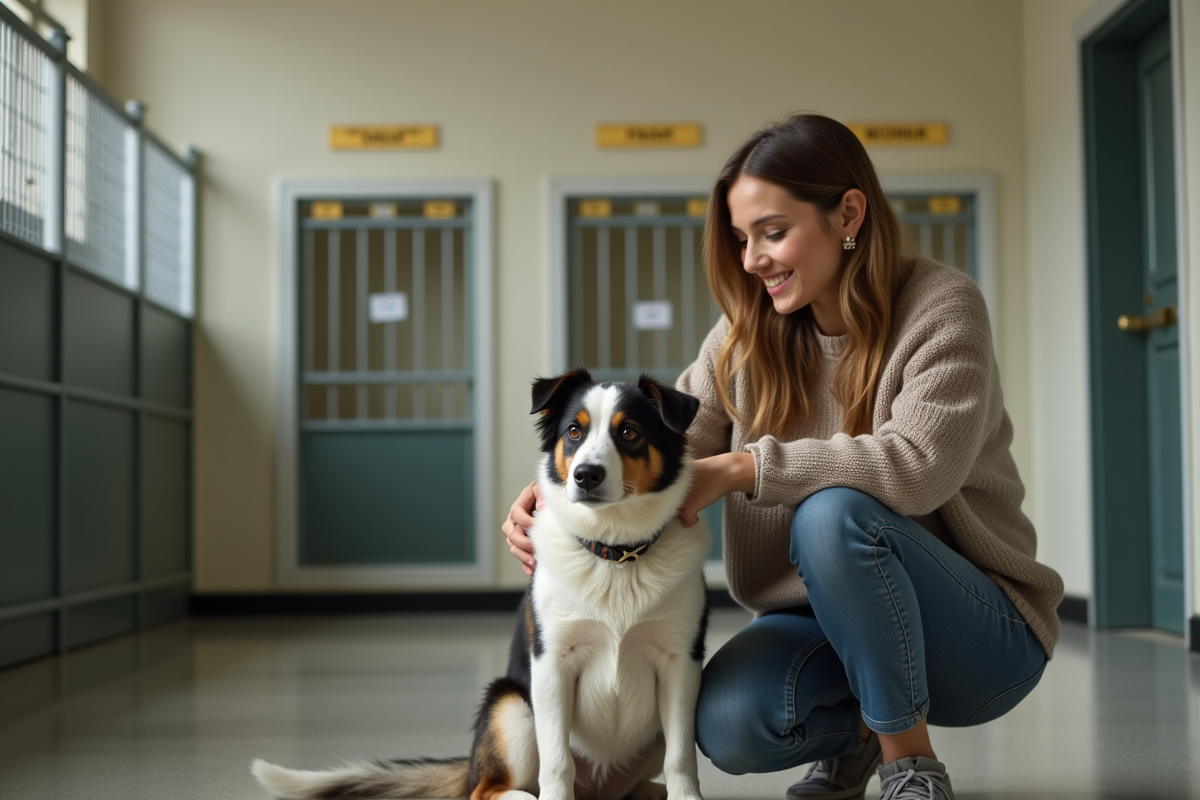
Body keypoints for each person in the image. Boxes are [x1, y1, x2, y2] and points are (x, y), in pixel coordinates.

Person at [502, 113, 1064, 800]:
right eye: (742, 239)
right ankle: (855, 736)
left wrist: (747, 467)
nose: (751, 259)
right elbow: (667, 447)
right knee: (730, 723)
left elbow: (918, 467)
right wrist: (551, 498)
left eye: (772, 232)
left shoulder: (941, 308)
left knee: (831, 515)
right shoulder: (744, 337)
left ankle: (909, 764)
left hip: (979, 632)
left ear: (848, 213)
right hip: (820, 623)